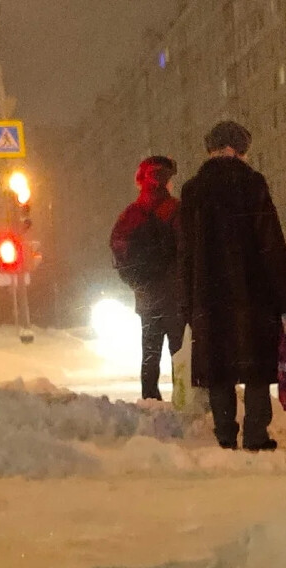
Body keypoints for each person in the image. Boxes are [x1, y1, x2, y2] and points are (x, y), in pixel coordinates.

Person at [178, 121, 286, 451]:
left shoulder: (192, 192)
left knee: (218, 368)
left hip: (209, 297)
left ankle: (225, 434)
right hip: (254, 296)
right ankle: (257, 433)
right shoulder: (253, 185)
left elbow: (185, 253)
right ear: (243, 149)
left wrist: (187, 301)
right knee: (256, 366)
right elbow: (270, 244)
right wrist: (285, 295)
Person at [110, 156, 183, 402]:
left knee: (150, 354)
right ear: (165, 181)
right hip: (175, 297)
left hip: (147, 297)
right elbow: (188, 248)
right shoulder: (175, 210)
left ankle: (150, 399)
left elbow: (118, 250)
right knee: (179, 353)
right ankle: (182, 399)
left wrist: (135, 282)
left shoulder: (131, 214)